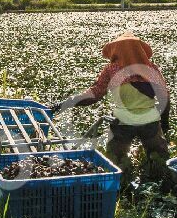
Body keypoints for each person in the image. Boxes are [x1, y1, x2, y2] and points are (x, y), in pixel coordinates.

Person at [52, 31, 169, 170]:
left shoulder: (112, 69)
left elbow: (95, 94)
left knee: (116, 163)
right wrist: (164, 122)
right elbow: (164, 97)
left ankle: (121, 186)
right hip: (150, 121)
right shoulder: (150, 68)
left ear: (116, 51)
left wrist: (67, 103)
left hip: (123, 122)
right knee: (159, 161)